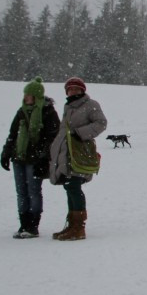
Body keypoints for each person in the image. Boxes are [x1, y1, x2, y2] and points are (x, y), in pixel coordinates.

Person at [48, 77, 107, 241]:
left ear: (82, 90)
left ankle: (79, 227)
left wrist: (80, 133)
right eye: (70, 89)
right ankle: (72, 225)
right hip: (67, 154)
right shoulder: (68, 107)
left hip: (80, 153)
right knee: (69, 187)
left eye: (76, 89)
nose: (73, 91)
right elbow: (62, 132)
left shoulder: (91, 104)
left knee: (73, 187)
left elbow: (101, 123)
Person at [0, 76, 60, 238]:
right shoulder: (21, 112)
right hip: (19, 158)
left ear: (37, 96)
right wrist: (6, 153)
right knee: (21, 192)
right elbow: (13, 135)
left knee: (33, 191)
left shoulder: (47, 112)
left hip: (35, 159)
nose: (26, 98)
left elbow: (52, 137)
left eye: (29, 95)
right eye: (25, 95)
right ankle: (23, 224)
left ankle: (33, 226)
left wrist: (43, 157)